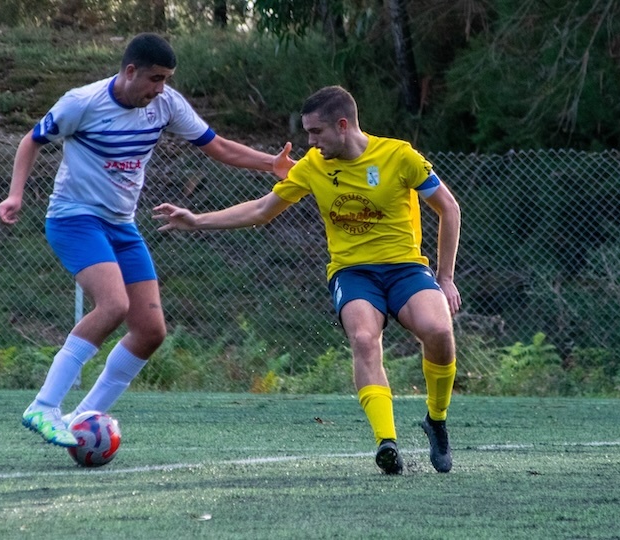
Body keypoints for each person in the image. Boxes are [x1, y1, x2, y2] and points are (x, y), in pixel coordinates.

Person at [0, 33, 294, 448]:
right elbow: (31, 141)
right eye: (155, 78)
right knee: (113, 305)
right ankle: (44, 406)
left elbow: (218, 146)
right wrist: (15, 194)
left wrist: (273, 165)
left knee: (150, 330)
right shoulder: (82, 102)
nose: (160, 88)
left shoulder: (166, 104)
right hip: (74, 219)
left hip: (121, 224)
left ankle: (84, 417)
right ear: (130, 71)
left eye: (167, 79)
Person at [153, 85, 461, 474]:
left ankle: (436, 419)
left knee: (439, 331)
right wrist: (197, 220)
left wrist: (445, 277)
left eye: (316, 133)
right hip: (353, 273)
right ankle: (387, 442)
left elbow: (447, 208)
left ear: (343, 125)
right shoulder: (313, 167)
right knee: (364, 338)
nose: (309, 142)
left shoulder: (399, 156)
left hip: (406, 268)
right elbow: (263, 210)